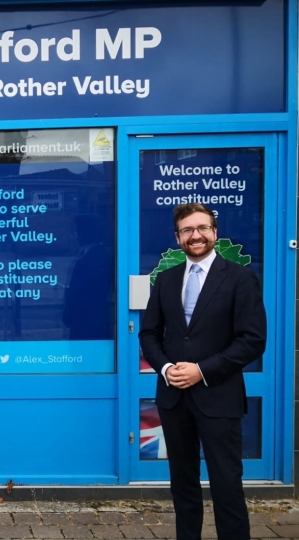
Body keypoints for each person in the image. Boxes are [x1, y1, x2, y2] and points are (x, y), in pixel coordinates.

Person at [139, 203, 266, 540]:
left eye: (202, 228)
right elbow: (149, 334)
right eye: (187, 230)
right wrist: (166, 368)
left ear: (214, 232)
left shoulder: (240, 277)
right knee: (182, 484)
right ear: (177, 237)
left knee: (226, 484)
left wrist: (201, 370)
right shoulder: (165, 279)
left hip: (219, 397)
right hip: (173, 398)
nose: (195, 235)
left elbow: (252, 340)